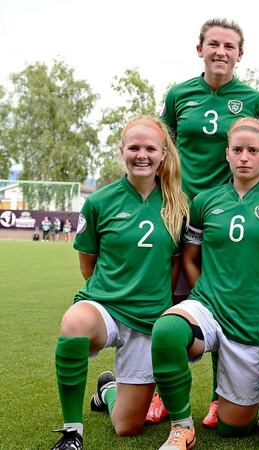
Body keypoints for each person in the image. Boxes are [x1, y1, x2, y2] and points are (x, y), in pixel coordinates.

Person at [150, 117, 259, 449]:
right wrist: (204, 295)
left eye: (253, 150)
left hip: (252, 318)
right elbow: (190, 258)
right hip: (207, 306)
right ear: (227, 154)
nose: (244, 157)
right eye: (237, 150)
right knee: (167, 330)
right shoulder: (205, 201)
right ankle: (181, 427)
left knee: (233, 429)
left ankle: (253, 408)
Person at [50, 116, 188, 450]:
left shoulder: (178, 205)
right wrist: (115, 293)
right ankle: (72, 431)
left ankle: (107, 389)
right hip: (106, 308)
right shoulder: (99, 202)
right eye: (135, 147)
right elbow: (88, 265)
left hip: (149, 320)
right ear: (122, 150)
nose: (142, 155)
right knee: (75, 320)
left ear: (163, 154)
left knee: (127, 427)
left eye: (150, 148)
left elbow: (173, 269)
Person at [158, 17, 259, 428]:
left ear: (241, 54)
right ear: (199, 48)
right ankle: (160, 391)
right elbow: (163, 148)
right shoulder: (178, 95)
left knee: (229, 301)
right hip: (178, 208)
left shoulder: (254, 99)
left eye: (230, 46)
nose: (221, 52)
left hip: (226, 213)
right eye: (214, 44)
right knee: (166, 300)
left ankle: (223, 398)